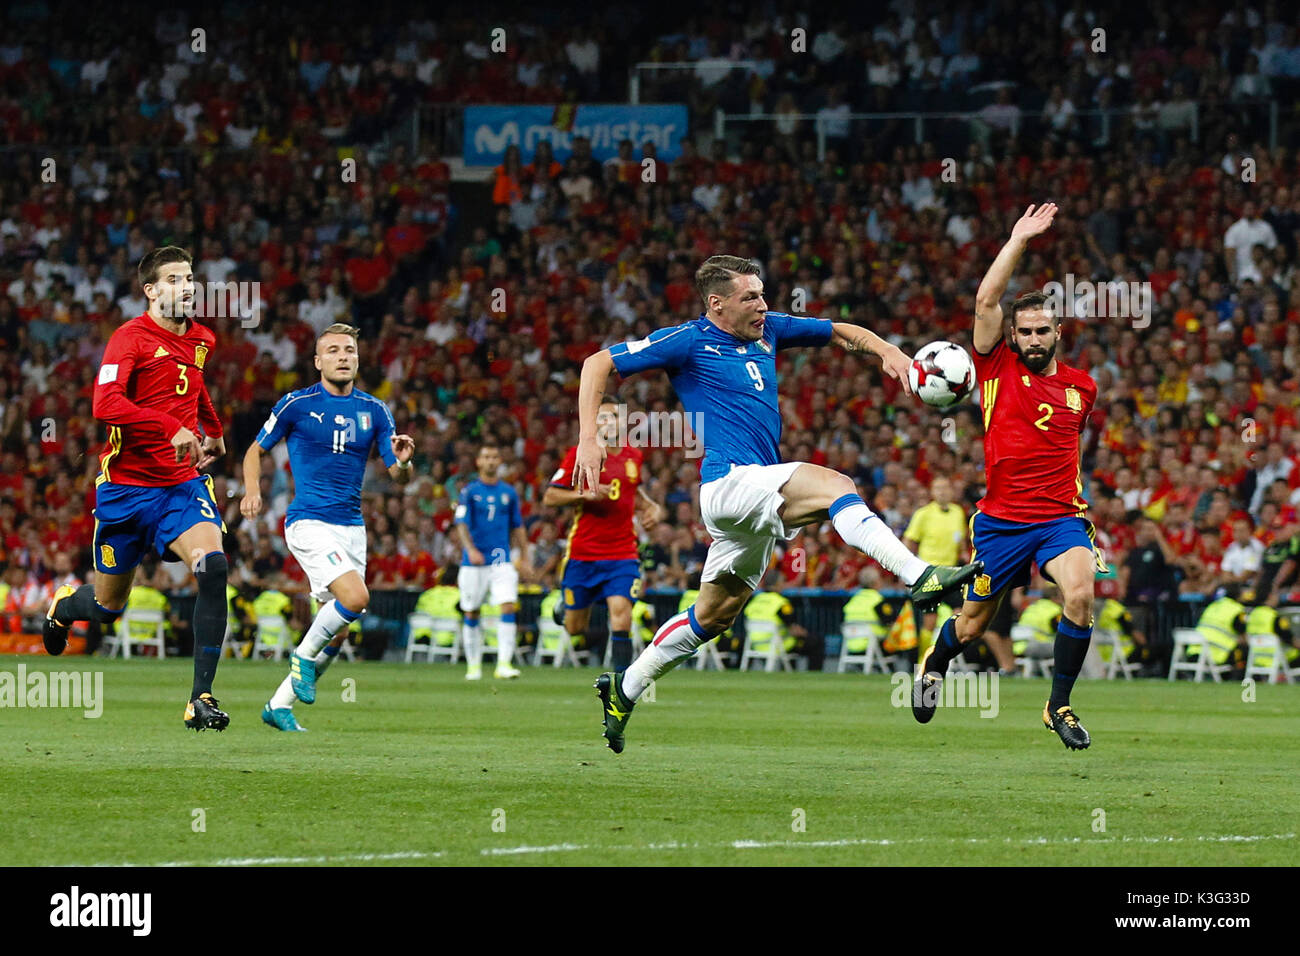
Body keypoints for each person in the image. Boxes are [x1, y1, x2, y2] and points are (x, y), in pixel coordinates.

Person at [574, 254, 981, 753]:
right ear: (716, 304)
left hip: (752, 503)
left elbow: (839, 331)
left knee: (714, 616)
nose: (763, 305)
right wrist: (589, 439)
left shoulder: (770, 331)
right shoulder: (688, 340)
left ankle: (624, 689)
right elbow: (598, 363)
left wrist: (886, 351)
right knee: (836, 485)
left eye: (763, 294)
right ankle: (920, 576)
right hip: (728, 484)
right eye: (751, 297)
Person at [912, 204, 1102, 750]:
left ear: (1059, 332)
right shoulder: (996, 364)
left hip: (1061, 520)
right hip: (1000, 524)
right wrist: (1018, 238)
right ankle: (936, 659)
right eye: (1026, 332)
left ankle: (1058, 705)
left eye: (1044, 330)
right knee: (971, 627)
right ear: (1013, 336)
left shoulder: (1082, 388)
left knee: (1081, 594)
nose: (1035, 339)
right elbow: (986, 301)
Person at [43, 246, 232, 731]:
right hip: (127, 490)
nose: (186, 287)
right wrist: (170, 427)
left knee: (213, 567)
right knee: (108, 608)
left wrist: (212, 426)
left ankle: (201, 698)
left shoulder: (202, 337)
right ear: (151, 291)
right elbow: (105, 405)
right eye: (173, 280)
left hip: (180, 487)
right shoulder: (127, 340)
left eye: (189, 278)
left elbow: (196, 384)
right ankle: (66, 604)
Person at [240, 322, 414, 731]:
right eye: (333, 350)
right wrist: (252, 491)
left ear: (357, 358)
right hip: (308, 521)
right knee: (354, 598)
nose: (342, 356)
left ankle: (278, 706)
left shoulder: (375, 410)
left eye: (349, 350)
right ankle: (301, 655)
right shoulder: (295, 404)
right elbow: (254, 450)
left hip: (352, 529)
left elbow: (397, 476)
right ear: (318, 361)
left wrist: (403, 462)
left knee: (336, 635)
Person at [543, 396, 663, 671]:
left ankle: (621, 687)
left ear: (625, 421)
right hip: (584, 553)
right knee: (575, 628)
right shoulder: (580, 454)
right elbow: (550, 496)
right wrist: (586, 494)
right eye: (603, 417)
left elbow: (633, 490)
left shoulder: (634, 455)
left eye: (615, 416)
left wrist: (652, 506)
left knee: (621, 618)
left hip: (622, 553)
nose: (610, 422)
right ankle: (566, 608)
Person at [455, 443, 528, 680]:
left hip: (501, 559)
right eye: (486, 456)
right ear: (478, 462)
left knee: (507, 605)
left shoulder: (509, 492)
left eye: (494, 456)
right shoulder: (468, 492)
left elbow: (517, 526)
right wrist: (470, 549)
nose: (490, 461)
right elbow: (461, 524)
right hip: (473, 562)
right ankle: (473, 666)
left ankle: (503, 664)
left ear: (499, 461)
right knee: (472, 612)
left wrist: (525, 555)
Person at [903, 476, 967, 652]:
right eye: (938, 488)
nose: (942, 491)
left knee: (960, 615)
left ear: (951, 491)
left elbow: (961, 541)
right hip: (929, 573)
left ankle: (951, 654)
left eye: (946, 487)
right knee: (930, 621)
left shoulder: (958, 512)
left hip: (952, 572)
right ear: (932, 492)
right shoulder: (923, 514)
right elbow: (909, 541)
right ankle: (923, 659)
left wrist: (965, 557)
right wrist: (907, 568)